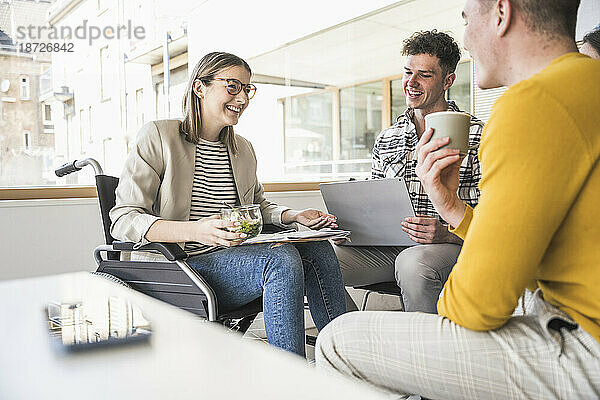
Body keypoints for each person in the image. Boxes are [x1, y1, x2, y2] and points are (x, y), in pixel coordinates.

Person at [316, 0, 600, 398]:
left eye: (467, 19)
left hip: (584, 345)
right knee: (322, 258)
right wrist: (449, 205)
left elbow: (477, 308)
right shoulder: (588, 81)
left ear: (501, 13)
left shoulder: (530, 105)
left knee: (336, 340)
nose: (467, 40)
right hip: (577, 321)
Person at [110, 51, 346, 357]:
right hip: (178, 267)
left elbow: (255, 206)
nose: (243, 98)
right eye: (233, 86)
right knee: (281, 259)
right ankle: (290, 376)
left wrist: (293, 215)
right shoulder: (159, 136)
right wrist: (195, 231)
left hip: (231, 261)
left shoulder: (242, 149)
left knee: (318, 251)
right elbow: (124, 219)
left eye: (248, 89)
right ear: (200, 88)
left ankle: (344, 360)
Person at [334, 30, 483, 313]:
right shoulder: (387, 138)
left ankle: (425, 353)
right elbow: (374, 201)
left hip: (450, 246)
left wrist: (447, 233)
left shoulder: (476, 134)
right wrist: (353, 229)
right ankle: (349, 337)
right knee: (317, 259)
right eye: (407, 72)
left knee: (413, 263)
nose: (410, 83)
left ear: (448, 81)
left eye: (424, 75)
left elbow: (492, 216)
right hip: (388, 248)